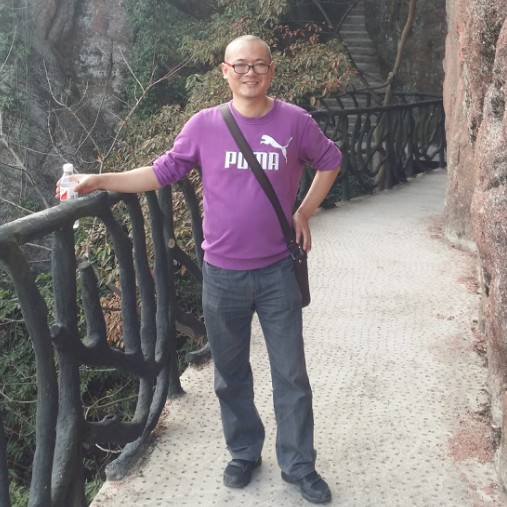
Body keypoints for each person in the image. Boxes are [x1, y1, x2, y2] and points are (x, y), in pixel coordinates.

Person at [57, 35, 341, 504]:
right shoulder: (205, 125)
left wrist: (304, 211)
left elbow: (330, 160)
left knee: (291, 374)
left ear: (271, 70)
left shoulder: (295, 121)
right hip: (222, 273)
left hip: (277, 270)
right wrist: (99, 180)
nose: (250, 73)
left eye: (259, 64)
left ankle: (299, 465)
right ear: (225, 72)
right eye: (240, 65)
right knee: (230, 373)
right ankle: (244, 452)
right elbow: (162, 171)